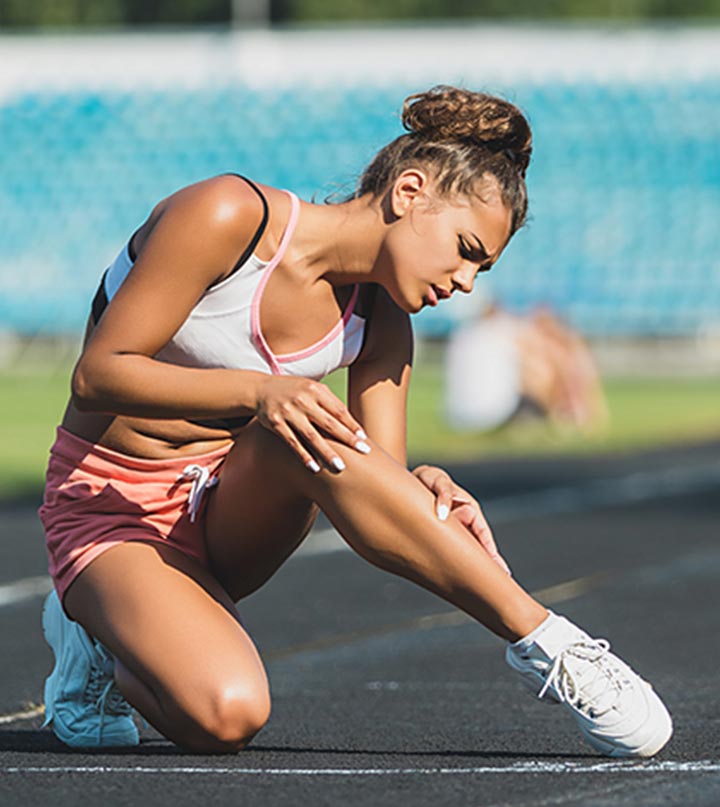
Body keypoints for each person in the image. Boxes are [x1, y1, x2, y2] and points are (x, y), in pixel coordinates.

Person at [38, 86, 672, 757]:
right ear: (408, 191)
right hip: (109, 509)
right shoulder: (228, 215)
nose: (466, 282)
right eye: (465, 249)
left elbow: (371, 478)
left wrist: (423, 486)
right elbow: (98, 374)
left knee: (318, 435)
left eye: (481, 269)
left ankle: (553, 646)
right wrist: (262, 392)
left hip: (230, 516)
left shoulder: (384, 320)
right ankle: (101, 629)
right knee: (227, 717)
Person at [445, 303, 609, 433]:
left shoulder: (462, 335)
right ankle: (564, 415)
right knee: (538, 370)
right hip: (496, 412)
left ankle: (565, 413)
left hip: (457, 417)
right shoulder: (509, 331)